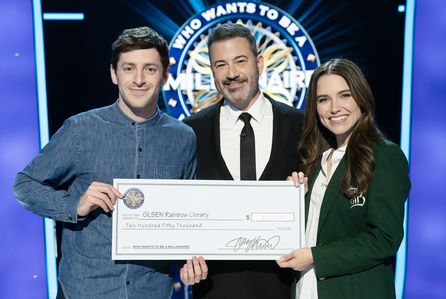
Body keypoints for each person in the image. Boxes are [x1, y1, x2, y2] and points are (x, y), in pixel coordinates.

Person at [13, 26, 196, 299]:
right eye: (128, 68)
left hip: (151, 290)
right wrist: (73, 205)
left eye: (150, 69)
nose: (139, 79)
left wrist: (188, 261)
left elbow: (188, 214)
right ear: (114, 74)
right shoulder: (81, 129)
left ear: (165, 76)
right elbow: (24, 184)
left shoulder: (183, 139)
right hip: (85, 289)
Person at [180, 23, 304, 299]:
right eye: (220, 65)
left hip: (286, 286)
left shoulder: (301, 125)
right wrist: (183, 258)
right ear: (211, 71)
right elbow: (180, 209)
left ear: (259, 63)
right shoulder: (190, 132)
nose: (232, 73)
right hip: (214, 287)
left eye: (240, 61)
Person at [276, 58, 411, 299]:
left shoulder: (384, 156)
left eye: (344, 95)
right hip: (305, 290)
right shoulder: (313, 162)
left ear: (362, 99)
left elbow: (384, 238)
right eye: (323, 99)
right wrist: (292, 201)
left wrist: (315, 256)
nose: (334, 107)